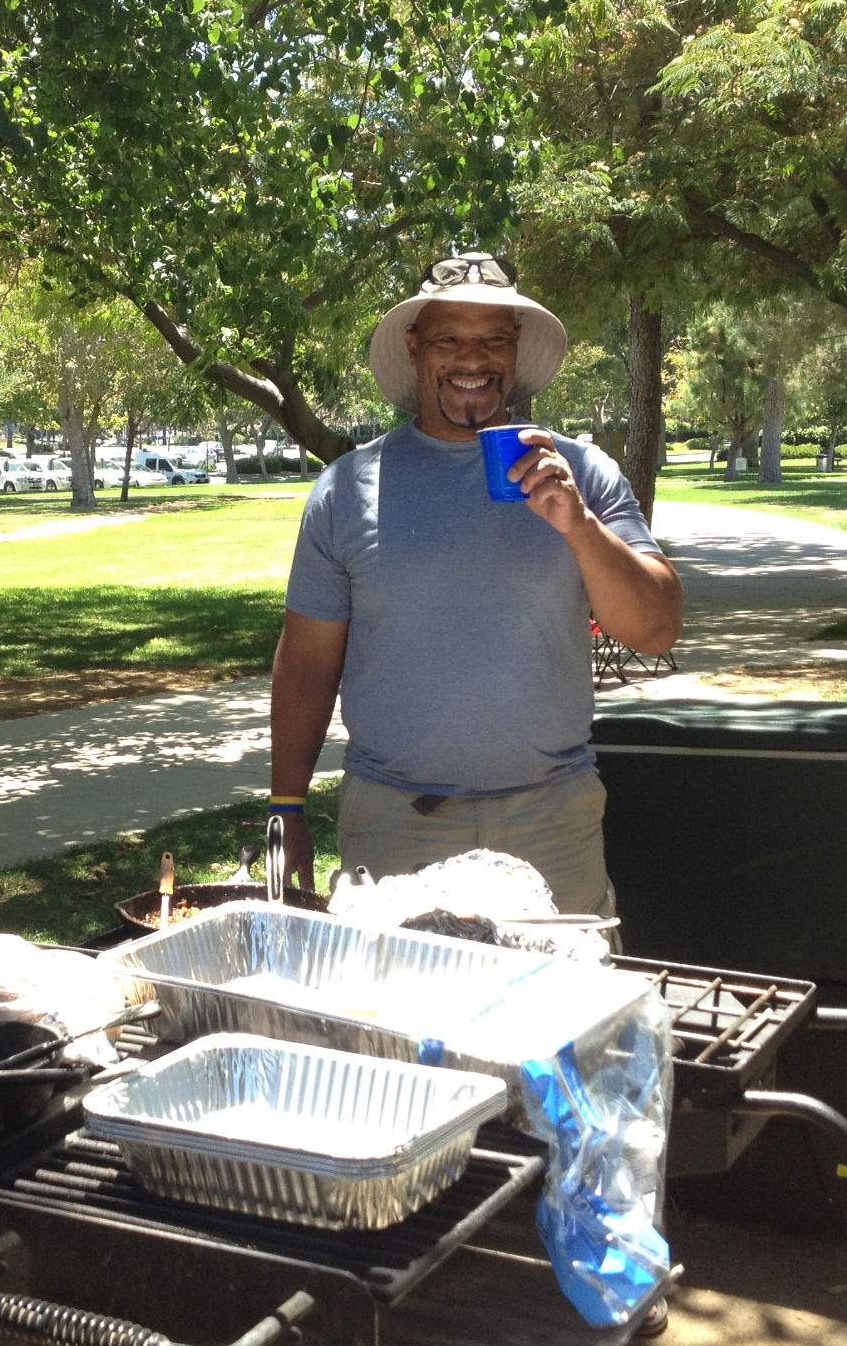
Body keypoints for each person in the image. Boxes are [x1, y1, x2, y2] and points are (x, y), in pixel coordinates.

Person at [269, 253, 683, 921]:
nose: (474, 358)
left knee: (567, 1018)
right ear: (415, 348)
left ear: (516, 348)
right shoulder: (346, 491)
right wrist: (287, 808)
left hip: (553, 817)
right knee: (390, 1019)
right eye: (450, 339)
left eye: (494, 337)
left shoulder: (583, 474)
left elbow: (656, 628)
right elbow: (307, 661)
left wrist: (579, 529)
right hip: (395, 823)